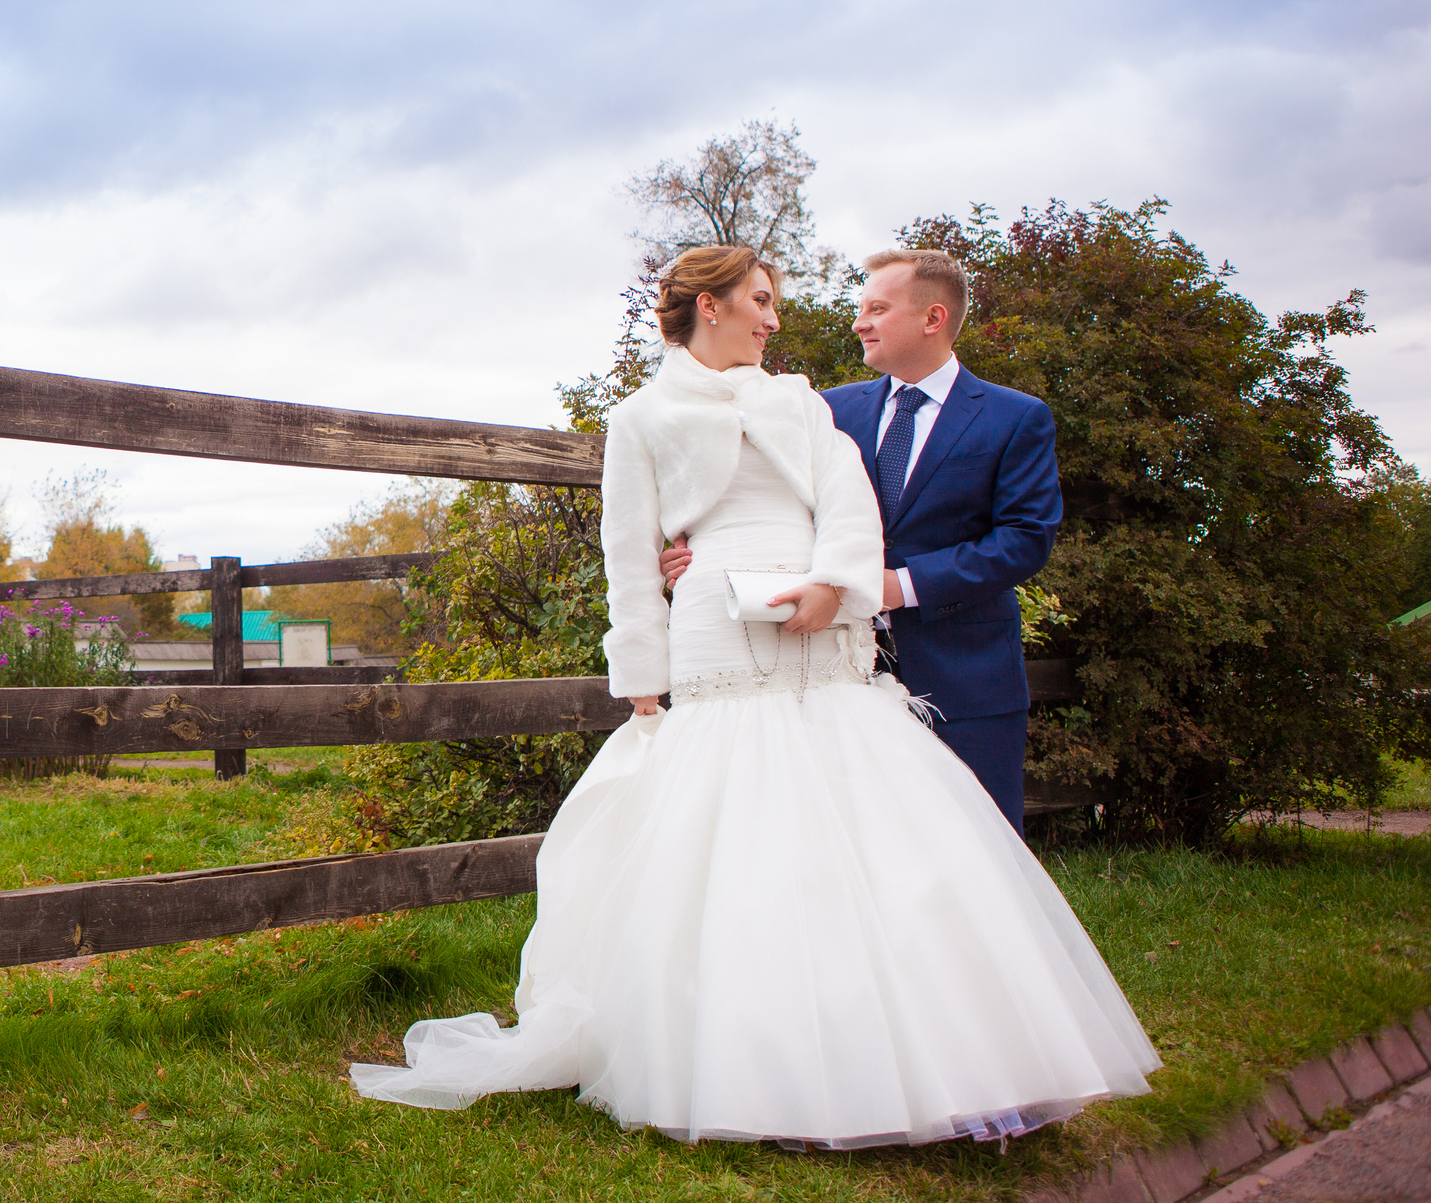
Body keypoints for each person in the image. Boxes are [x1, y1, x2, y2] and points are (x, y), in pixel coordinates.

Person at [350, 246, 1157, 1146]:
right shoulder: (642, 416)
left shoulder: (803, 401)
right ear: (710, 305)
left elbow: (851, 505)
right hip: (715, 626)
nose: (777, 318)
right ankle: (751, 1058)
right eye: (762, 301)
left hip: (822, 627)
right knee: (732, 825)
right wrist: (644, 675)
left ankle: (931, 1050)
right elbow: (629, 553)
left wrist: (839, 584)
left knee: (865, 827)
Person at [657, 248, 1058, 828]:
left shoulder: (1014, 417)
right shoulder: (826, 408)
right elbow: (777, 504)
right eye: (859, 306)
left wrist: (897, 586)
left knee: (978, 851)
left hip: (966, 680)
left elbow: (1024, 539)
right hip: (833, 674)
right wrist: (694, 552)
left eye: (876, 307)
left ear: (933, 318)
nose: (858, 320)